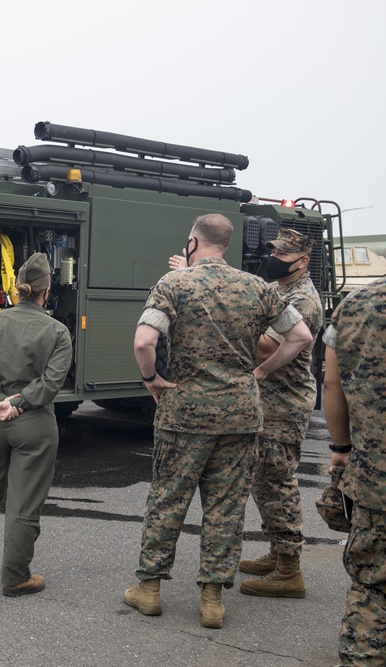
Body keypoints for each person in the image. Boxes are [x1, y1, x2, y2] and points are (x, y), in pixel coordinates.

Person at [125, 213, 313, 629]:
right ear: (225, 244)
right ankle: (212, 599)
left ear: (193, 242)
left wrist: (151, 379)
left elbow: (144, 340)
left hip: (185, 412)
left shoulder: (173, 284)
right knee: (226, 507)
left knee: (169, 499)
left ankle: (150, 590)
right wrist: (259, 374)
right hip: (241, 413)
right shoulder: (259, 288)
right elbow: (301, 338)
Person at [0, 252, 73, 597]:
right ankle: (15, 576)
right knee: (23, 501)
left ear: (19, 289)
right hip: (33, 422)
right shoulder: (57, 331)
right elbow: (51, 383)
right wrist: (18, 403)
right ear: (46, 289)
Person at [323, 270, 386, 666]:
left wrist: (341, 448)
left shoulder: (356, 304)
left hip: (379, 483)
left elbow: (332, 385)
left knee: (375, 592)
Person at [237, 228, 323, 598]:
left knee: (277, 481)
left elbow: (265, 347)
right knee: (265, 480)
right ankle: (277, 553)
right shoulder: (281, 291)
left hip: (283, 402)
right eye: (273, 250)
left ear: (302, 262)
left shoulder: (302, 299)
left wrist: (233, 321)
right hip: (270, 399)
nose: (274, 258)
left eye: (282, 254)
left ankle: (290, 570)